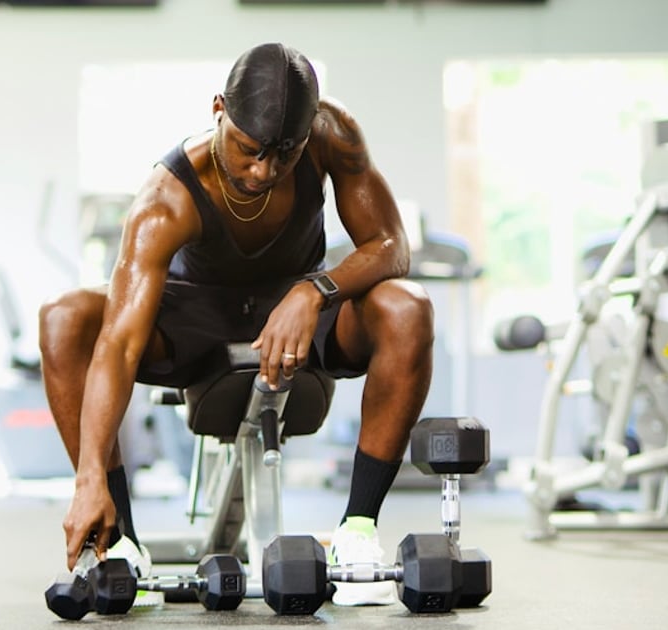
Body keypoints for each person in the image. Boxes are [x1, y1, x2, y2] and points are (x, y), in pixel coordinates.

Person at [38, 42, 434, 607]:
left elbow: (390, 245)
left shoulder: (332, 134)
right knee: (64, 317)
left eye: (285, 156)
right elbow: (121, 344)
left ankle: (358, 532)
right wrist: (87, 480)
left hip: (302, 314)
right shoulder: (166, 198)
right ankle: (118, 541)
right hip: (191, 321)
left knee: (407, 305)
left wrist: (313, 290)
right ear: (219, 108)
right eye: (248, 151)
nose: (263, 171)